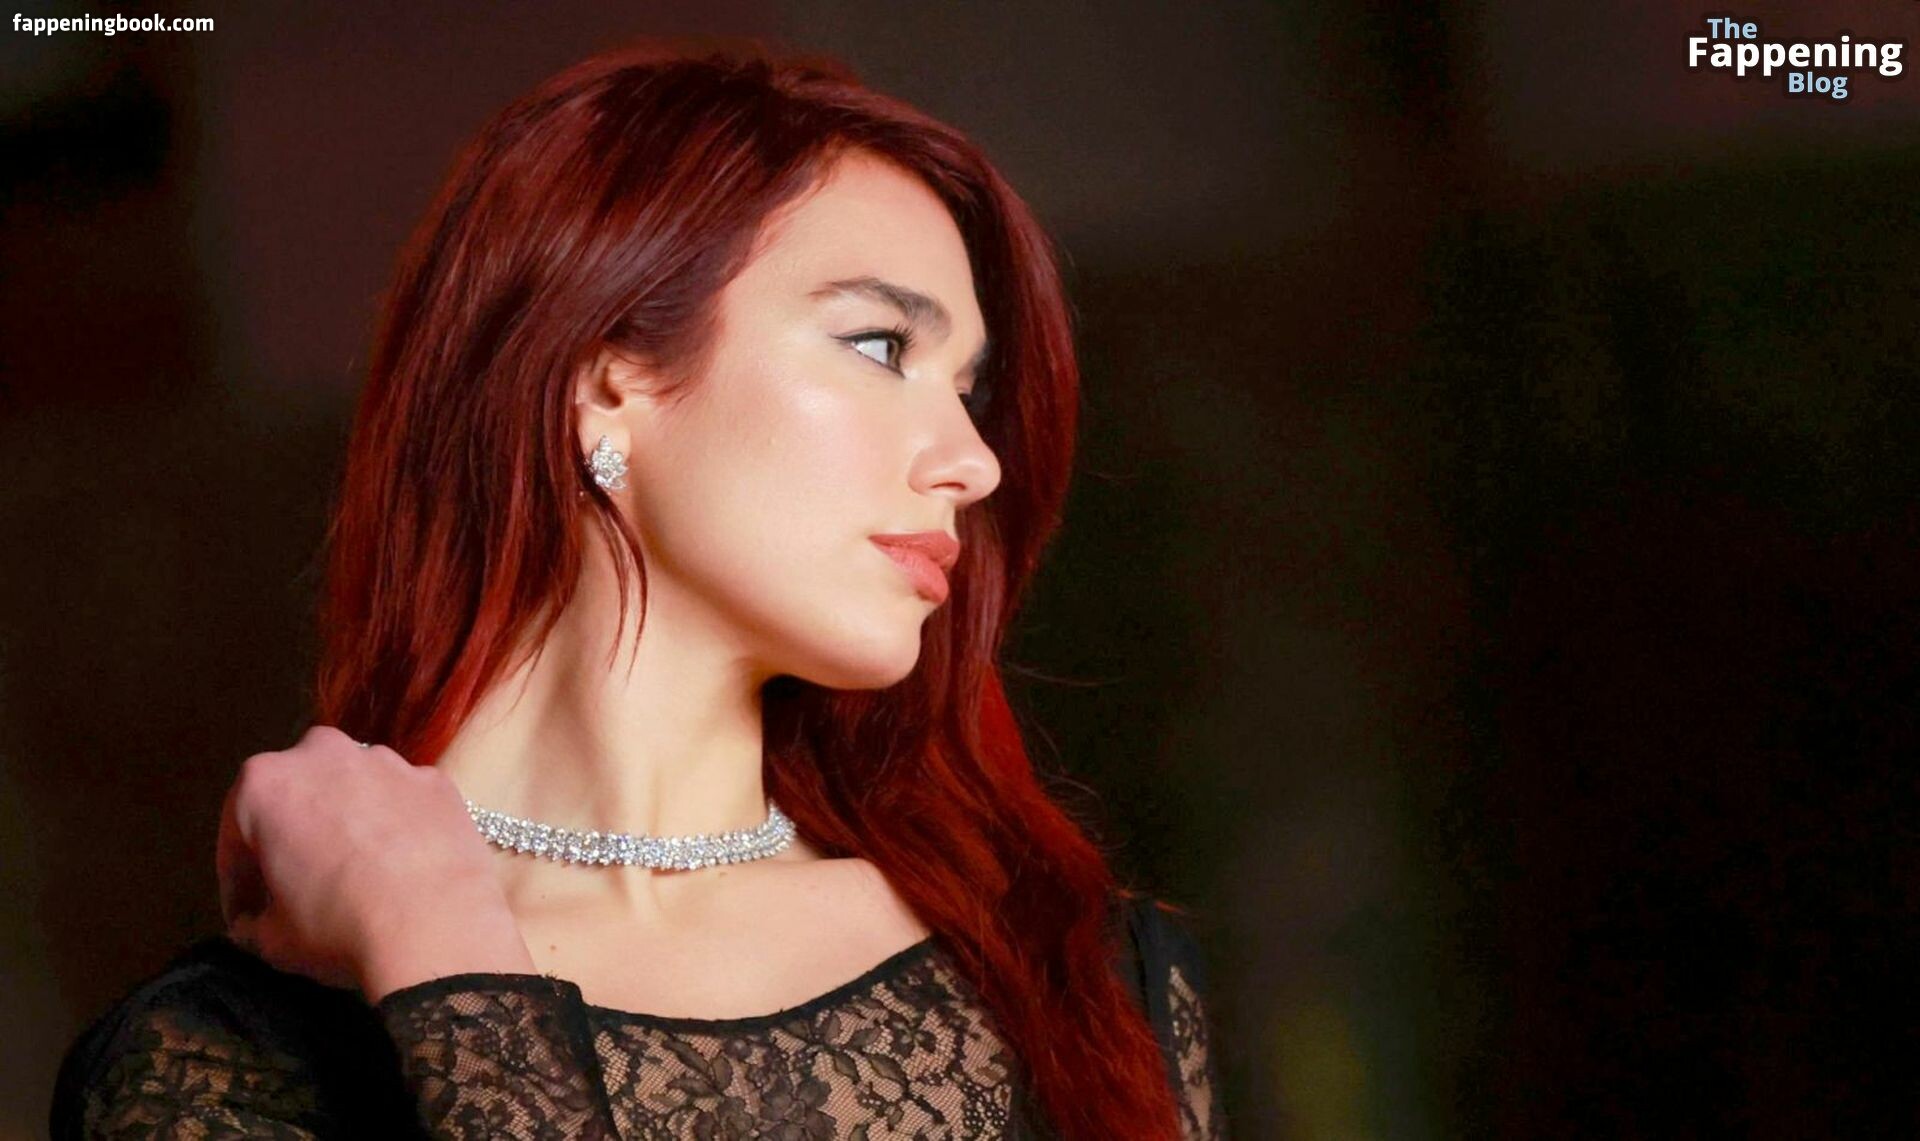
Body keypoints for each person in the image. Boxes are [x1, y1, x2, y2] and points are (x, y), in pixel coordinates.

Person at [49, 40, 1226, 1141]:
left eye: (968, 392)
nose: (974, 462)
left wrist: (447, 958)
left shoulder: (1076, 982)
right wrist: (433, 938)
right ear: (604, 375)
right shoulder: (227, 1060)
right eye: (880, 347)